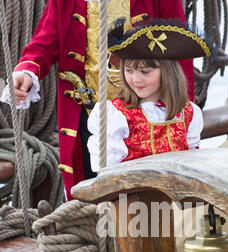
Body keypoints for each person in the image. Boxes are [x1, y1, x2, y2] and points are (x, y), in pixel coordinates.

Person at [0, 0, 195, 201]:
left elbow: (178, 46)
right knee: (93, 203)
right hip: (87, 120)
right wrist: (28, 71)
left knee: (152, 200)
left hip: (150, 120)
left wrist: (182, 110)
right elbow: (44, 44)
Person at [87, 19, 213, 171]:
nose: (135, 79)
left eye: (145, 71)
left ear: (167, 73)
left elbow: (193, 161)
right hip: (133, 194)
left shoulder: (188, 112)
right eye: (129, 70)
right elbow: (108, 172)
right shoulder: (117, 115)